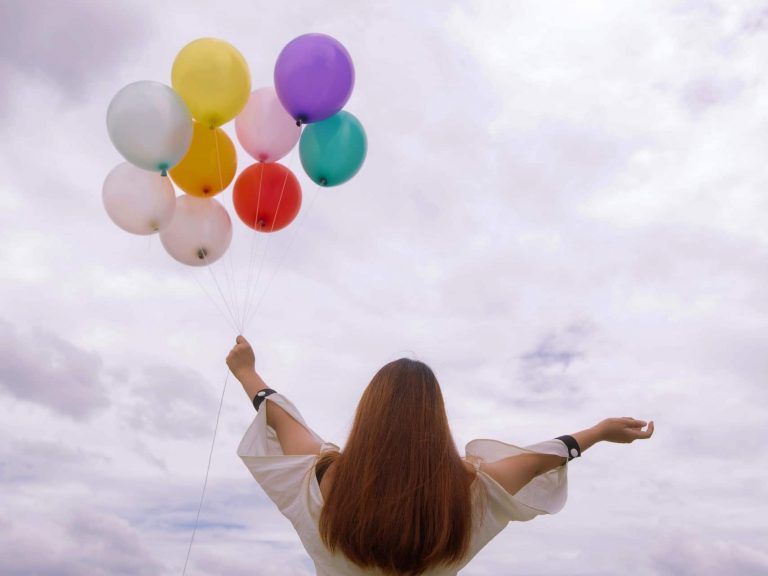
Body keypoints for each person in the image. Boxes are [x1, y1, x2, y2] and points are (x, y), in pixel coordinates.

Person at [227, 335, 654, 576]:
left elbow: (280, 417)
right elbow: (545, 456)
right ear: (436, 421)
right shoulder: (469, 493)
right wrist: (597, 433)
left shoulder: (322, 480)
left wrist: (246, 371)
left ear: (367, 415)